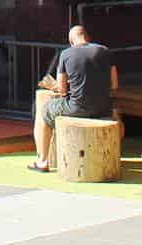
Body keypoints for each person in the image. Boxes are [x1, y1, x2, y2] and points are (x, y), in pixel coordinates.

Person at [30, 24, 118, 172]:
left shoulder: (66, 54)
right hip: (104, 108)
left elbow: (62, 89)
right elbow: (114, 85)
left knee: (43, 111)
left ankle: (43, 160)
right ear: (87, 37)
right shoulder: (105, 51)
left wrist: (55, 87)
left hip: (77, 107)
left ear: (71, 41)